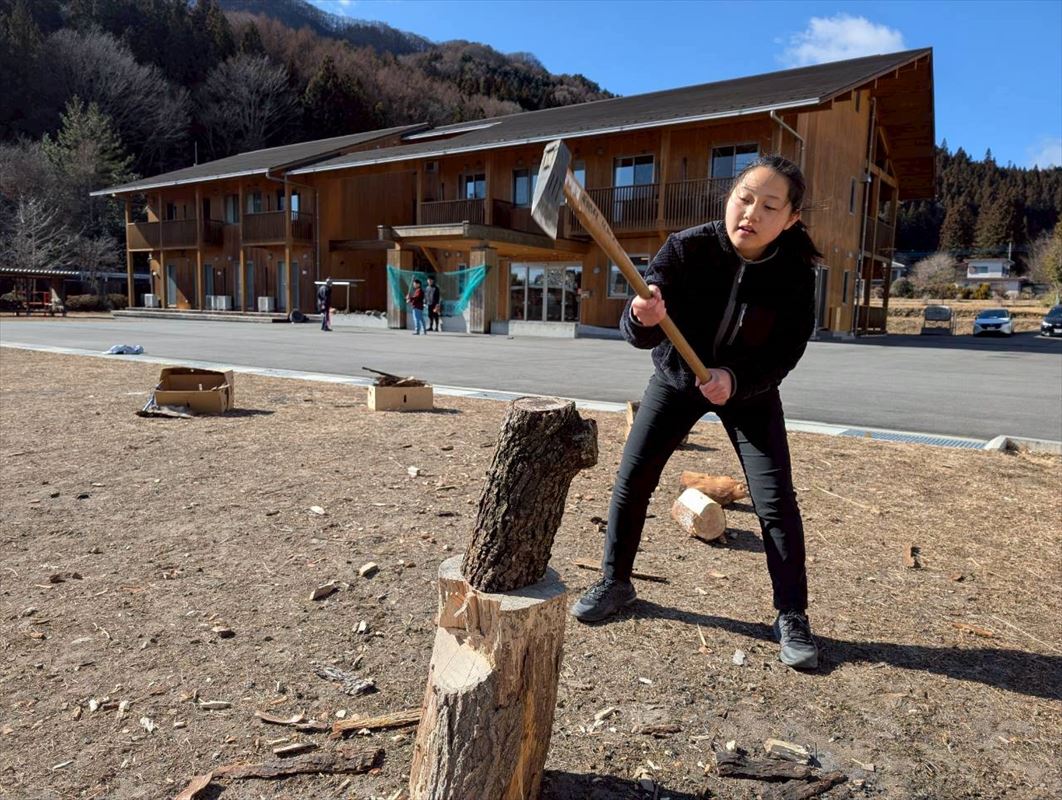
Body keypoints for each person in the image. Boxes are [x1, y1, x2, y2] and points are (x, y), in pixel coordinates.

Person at [569, 155, 822, 670]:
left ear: (790, 218)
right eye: (744, 198)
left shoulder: (794, 274)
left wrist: (736, 379)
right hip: (676, 381)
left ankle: (791, 614)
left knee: (776, 501)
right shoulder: (687, 248)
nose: (750, 213)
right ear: (730, 198)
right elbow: (638, 330)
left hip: (748, 393)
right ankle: (616, 582)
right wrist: (641, 316)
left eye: (769, 206)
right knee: (633, 479)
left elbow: (786, 350)